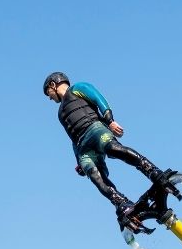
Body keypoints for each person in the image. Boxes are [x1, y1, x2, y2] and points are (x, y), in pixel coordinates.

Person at [43, 71, 173, 220]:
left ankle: (152, 171)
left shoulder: (78, 88)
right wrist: (78, 161)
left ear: (53, 85)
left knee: (113, 148)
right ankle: (121, 202)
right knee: (94, 175)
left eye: (48, 93)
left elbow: (99, 99)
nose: (49, 98)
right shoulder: (60, 113)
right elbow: (71, 138)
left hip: (95, 129)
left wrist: (110, 120)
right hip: (82, 147)